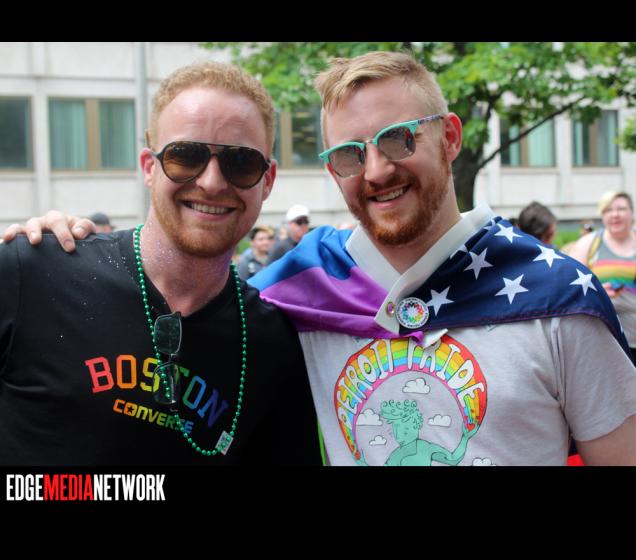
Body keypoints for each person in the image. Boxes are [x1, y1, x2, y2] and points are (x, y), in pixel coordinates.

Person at [8, 52, 636, 466]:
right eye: (350, 154)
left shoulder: (557, 298)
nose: (377, 170)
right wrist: (47, 250)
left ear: (449, 137)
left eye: (398, 140)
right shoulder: (301, 293)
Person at [0, 61, 321, 466]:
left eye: (241, 162)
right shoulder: (32, 271)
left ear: (268, 179)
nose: (211, 182)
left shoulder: (271, 341)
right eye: (185, 156)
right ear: (149, 168)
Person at [568, 191, 636, 363]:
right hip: (605, 340)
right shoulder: (588, 244)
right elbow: (569, 288)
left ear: (632, 212)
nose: (615, 214)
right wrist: (597, 291)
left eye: (621, 209)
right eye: (608, 210)